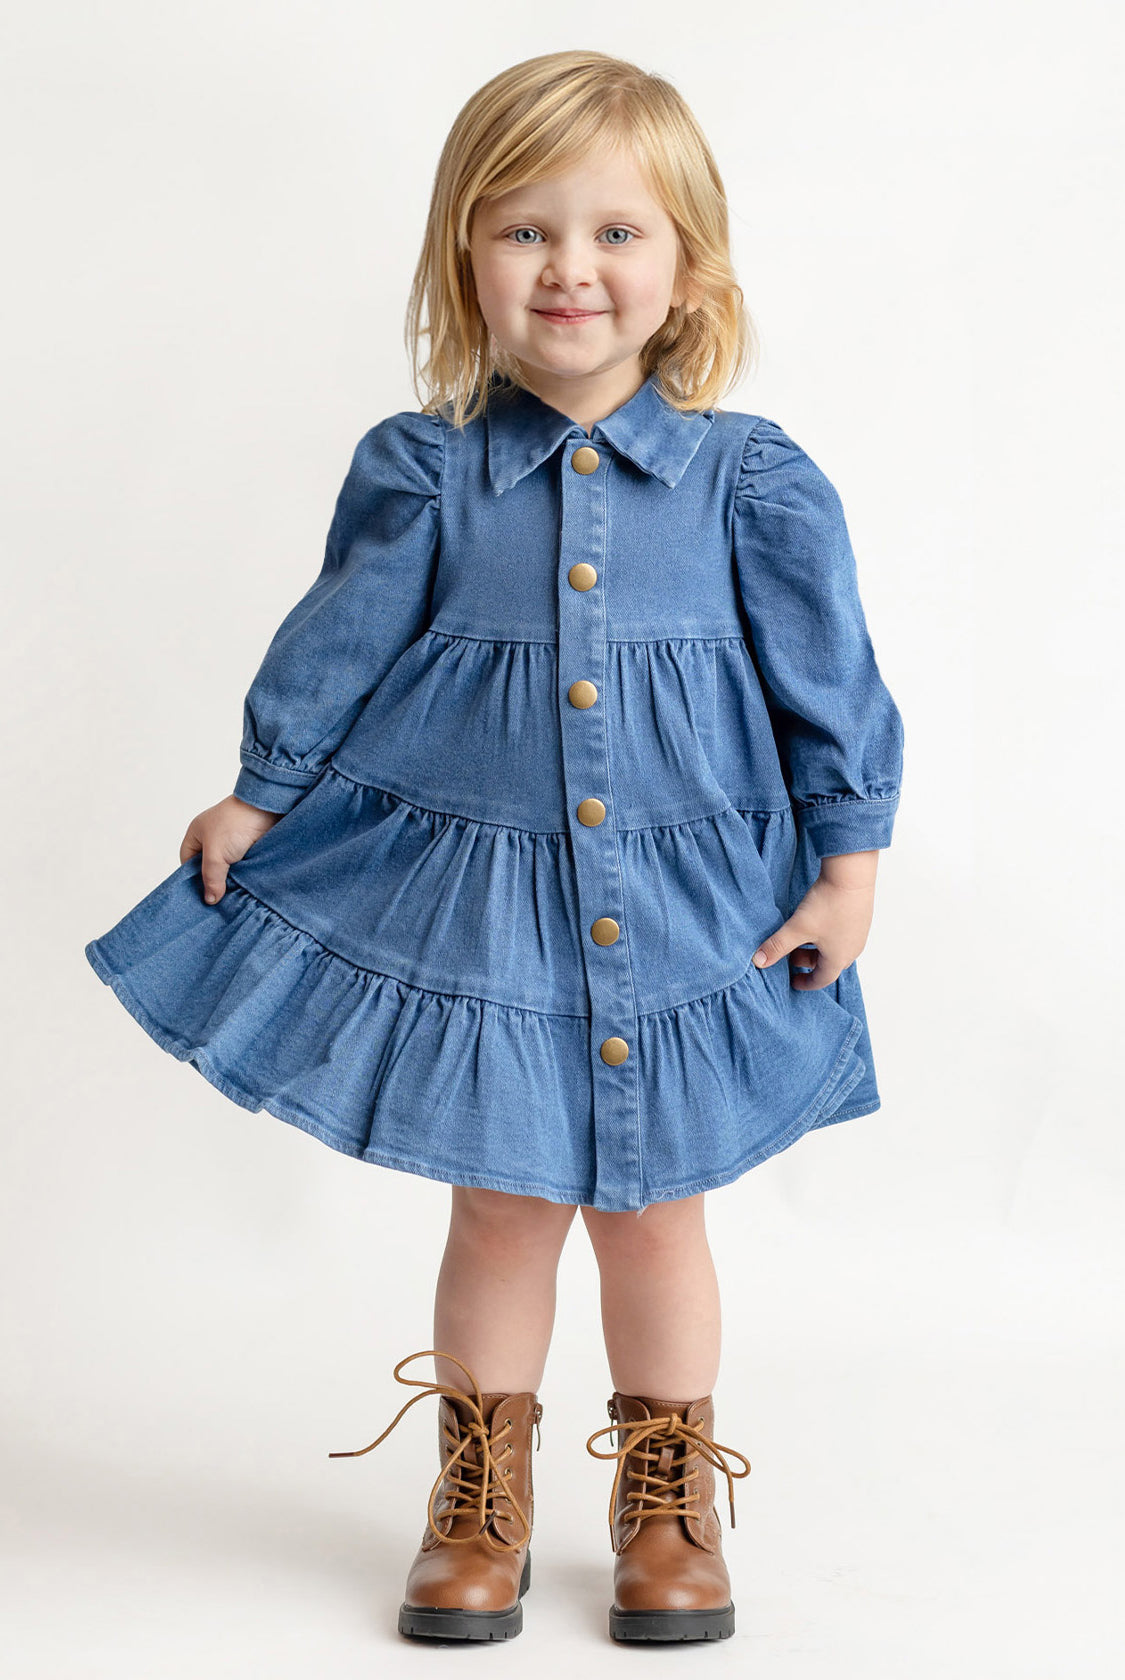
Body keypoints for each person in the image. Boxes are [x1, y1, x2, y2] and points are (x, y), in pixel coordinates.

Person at [85, 48, 905, 1647]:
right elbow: (341, 646)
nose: (570, 270)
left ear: (685, 272)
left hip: (687, 912)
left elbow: (830, 686)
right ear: (464, 255)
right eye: (525, 231)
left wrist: (848, 865)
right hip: (492, 915)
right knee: (499, 1209)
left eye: (615, 234)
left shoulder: (754, 483)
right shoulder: (425, 466)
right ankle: (481, 1494)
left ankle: (668, 1493)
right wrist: (260, 794)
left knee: (660, 1209)